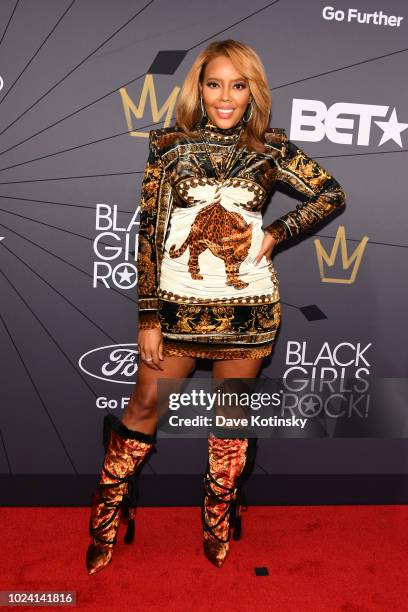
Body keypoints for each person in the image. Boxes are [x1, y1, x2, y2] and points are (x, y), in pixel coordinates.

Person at [86, 39, 346, 575]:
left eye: (237, 85)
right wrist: (149, 316)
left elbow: (331, 194)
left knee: (229, 416)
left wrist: (277, 232)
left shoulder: (270, 149)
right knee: (143, 412)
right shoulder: (169, 146)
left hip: (248, 306)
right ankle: (109, 509)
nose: (225, 97)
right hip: (178, 308)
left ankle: (217, 512)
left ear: (253, 91)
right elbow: (152, 234)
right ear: (198, 90)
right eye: (214, 84)